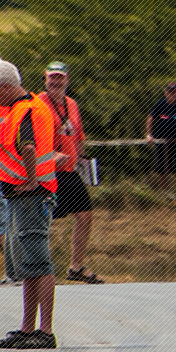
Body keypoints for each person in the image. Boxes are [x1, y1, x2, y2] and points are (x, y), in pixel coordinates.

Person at [0, 60, 59, 349]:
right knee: (28, 264)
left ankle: (44, 332)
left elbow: (28, 146)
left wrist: (32, 180)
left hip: (31, 195)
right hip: (22, 195)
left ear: (6, 87)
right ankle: (27, 329)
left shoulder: (26, 110)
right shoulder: (21, 106)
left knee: (39, 262)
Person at [40, 62, 102, 283]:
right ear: (45, 79)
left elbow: (78, 136)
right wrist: (50, 155)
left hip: (70, 170)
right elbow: (33, 138)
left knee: (85, 215)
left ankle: (76, 267)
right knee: (44, 221)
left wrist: (82, 160)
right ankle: (37, 269)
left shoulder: (72, 104)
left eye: (60, 77)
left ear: (67, 79)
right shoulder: (38, 103)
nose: (56, 82)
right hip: (48, 170)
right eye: (52, 77)